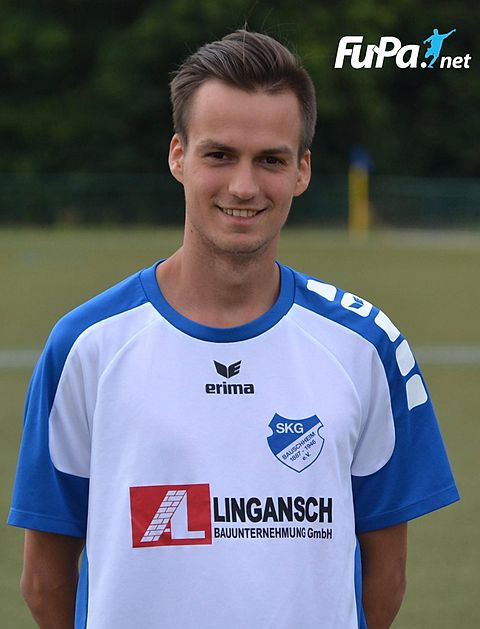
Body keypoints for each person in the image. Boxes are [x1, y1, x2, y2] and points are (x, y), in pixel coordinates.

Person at [8, 30, 459, 629]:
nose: (244, 187)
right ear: (178, 156)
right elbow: (44, 580)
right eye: (219, 155)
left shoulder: (367, 346)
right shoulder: (86, 345)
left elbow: (386, 575)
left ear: (301, 170)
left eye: (270, 159)